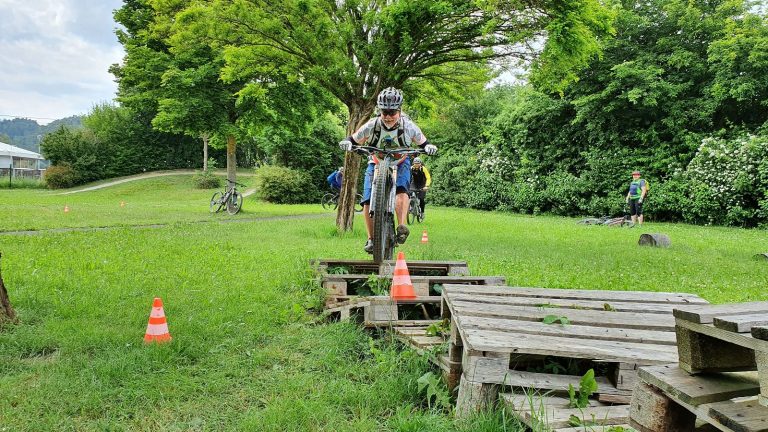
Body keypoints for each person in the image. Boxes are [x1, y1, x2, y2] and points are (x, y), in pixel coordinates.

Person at [339, 87, 438, 253]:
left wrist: (429, 147)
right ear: (380, 111)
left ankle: (401, 227)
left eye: (392, 112)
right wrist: (348, 143)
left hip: (401, 163)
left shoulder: (409, 126)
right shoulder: (372, 125)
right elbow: (354, 139)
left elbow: (424, 143)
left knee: (401, 191)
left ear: (399, 111)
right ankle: (371, 239)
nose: (388, 117)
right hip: (376, 162)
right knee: (367, 199)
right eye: (384, 112)